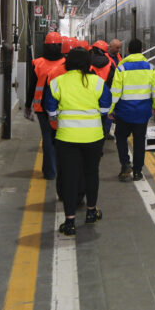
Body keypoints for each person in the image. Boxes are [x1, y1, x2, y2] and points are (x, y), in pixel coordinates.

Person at [47, 47, 111, 235]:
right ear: (87, 63)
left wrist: (57, 117)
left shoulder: (57, 82)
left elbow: (50, 109)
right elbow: (106, 107)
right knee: (91, 173)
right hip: (93, 137)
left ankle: (69, 221)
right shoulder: (97, 82)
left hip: (66, 137)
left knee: (69, 177)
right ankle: (91, 212)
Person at [109, 39, 155, 181]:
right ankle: (138, 171)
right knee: (139, 141)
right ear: (142, 50)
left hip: (124, 112)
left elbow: (115, 92)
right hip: (143, 112)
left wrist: (110, 109)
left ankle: (125, 164)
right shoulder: (151, 68)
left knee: (120, 137)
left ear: (128, 51)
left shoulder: (121, 68)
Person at [25, 32, 66, 179]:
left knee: (47, 138)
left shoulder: (38, 63)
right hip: (61, 107)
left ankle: (49, 172)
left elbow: (32, 86)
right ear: (61, 46)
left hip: (41, 108)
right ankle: (60, 169)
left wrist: (27, 105)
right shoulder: (66, 63)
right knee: (60, 138)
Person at [90, 40, 116, 141]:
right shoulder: (110, 63)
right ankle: (104, 133)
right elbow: (114, 78)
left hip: (91, 94)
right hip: (105, 92)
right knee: (104, 116)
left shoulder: (88, 62)